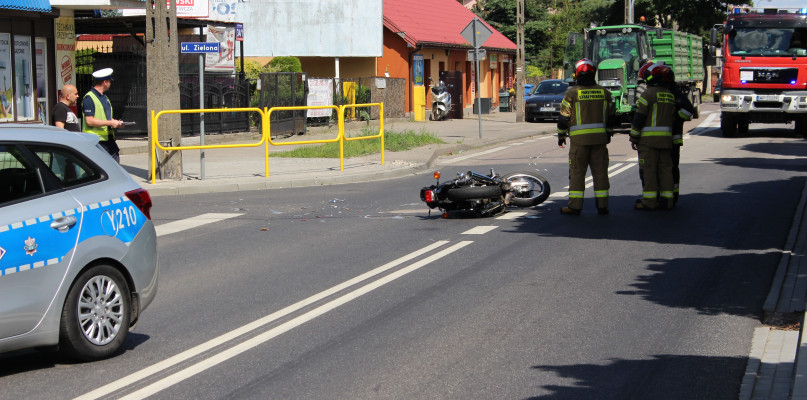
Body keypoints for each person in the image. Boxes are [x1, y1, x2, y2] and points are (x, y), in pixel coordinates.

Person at [557, 58, 616, 215]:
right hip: (600, 141)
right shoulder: (605, 93)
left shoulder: (572, 93)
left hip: (579, 142)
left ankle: (575, 207)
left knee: (577, 174)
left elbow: (563, 118)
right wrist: (608, 133)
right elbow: (612, 117)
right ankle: (603, 206)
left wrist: (561, 136)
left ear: (576, 74)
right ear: (594, 73)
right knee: (601, 174)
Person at [630, 63, 677, 210]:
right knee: (665, 171)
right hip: (666, 141)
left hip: (648, 142)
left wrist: (634, 137)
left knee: (649, 171)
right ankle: (667, 201)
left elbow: (639, 117)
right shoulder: (669, 95)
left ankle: (649, 202)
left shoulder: (648, 94)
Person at [663, 67, 696, 204]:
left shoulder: (674, 92)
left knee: (668, 167)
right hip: (670, 138)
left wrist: (675, 118)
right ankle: (670, 195)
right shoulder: (673, 91)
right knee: (671, 167)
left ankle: (671, 194)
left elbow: (689, 111)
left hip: (671, 138)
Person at [82, 68, 123, 162]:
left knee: (114, 166)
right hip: (96, 141)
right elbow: (89, 121)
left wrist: (116, 122)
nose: (110, 84)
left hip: (108, 140)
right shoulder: (89, 98)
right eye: (109, 81)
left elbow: (106, 118)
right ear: (105, 82)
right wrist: (110, 123)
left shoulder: (104, 98)